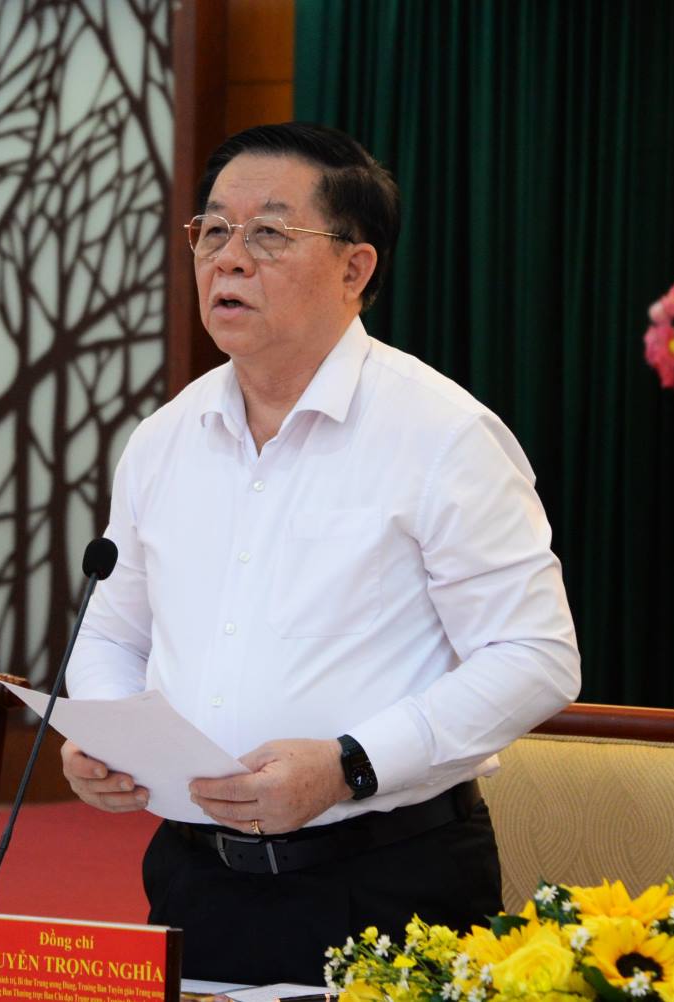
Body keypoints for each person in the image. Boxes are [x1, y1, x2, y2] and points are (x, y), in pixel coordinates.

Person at [60, 122, 579, 983]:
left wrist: (349, 767)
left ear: (355, 268)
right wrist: (112, 733)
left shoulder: (442, 435)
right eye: (212, 230)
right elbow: (114, 633)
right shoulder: (164, 440)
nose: (229, 259)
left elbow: (536, 656)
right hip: (194, 877)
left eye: (269, 232)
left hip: (386, 881)